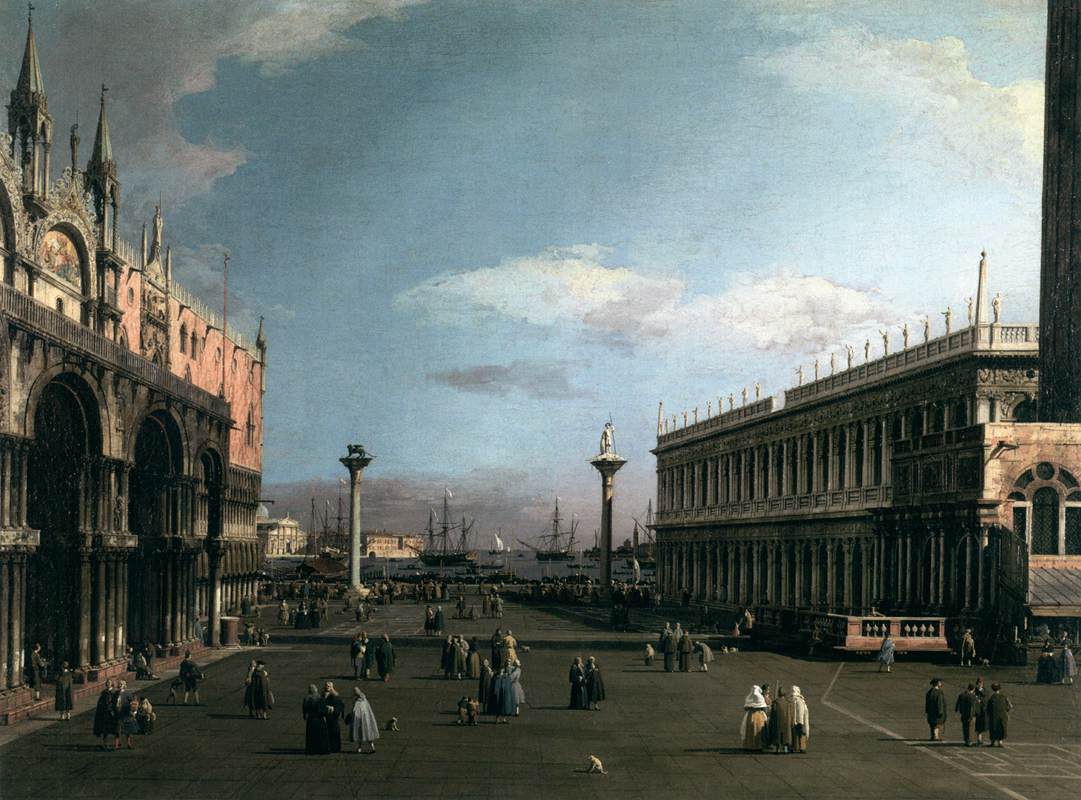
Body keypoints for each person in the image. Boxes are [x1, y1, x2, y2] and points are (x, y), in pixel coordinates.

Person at [348, 687, 380, 752]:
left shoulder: (360, 700)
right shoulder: (362, 699)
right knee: (361, 734)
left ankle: (370, 747)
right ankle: (361, 747)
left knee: (364, 734)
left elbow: (355, 710)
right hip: (360, 719)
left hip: (362, 719)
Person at [302, 684, 329, 755]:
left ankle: (311, 750)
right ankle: (320, 749)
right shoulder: (319, 697)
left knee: (311, 736)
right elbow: (322, 710)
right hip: (319, 719)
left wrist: (304, 716)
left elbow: (304, 709)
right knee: (320, 735)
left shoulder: (306, 698)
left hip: (310, 719)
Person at [740, 685, 769, 751]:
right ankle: (758, 745)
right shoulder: (760, 697)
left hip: (750, 715)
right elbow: (764, 707)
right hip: (759, 715)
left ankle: (750, 745)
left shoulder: (748, 697)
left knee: (750, 730)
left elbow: (746, 707)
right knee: (758, 730)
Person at [984, 682, 1012, 747]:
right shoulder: (1004, 696)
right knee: (1001, 728)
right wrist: (1006, 711)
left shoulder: (992, 698)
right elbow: (1010, 706)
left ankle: (993, 742)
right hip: (1002, 716)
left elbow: (988, 708)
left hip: (994, 716)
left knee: (993, 728)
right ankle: (1000, 742)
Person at [768, 686, 793, 754]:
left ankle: (778, 749)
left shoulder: (775, 703)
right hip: (786, 721)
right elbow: (791, 713)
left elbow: (773, 713)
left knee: (777, 735)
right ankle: (785, 749)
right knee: (786, 735)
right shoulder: (788, 703)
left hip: (777, 721)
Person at [93, 679, 116, 749]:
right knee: (105, 730)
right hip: (105, 713)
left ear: (112, 683)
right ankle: (105, 743)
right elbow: (100, 702)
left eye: (109, 682)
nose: (108, 683)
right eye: (107, 682)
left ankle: (116, 743)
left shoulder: (114, 692)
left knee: (114, 729)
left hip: (112, 712)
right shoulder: (104, 692)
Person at [322, 682, 345, 753]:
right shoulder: (323, 695)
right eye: (326, 686)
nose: (327, 687)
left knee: (334, 733)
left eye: (329, 686)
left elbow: (341, 706)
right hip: (327, 718)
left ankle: (335, 748)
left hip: (333, 718)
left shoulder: (335, 696)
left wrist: (333, 708)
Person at [790, 685, 810, 753]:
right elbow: (805, 712)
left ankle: (794, 747)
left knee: (794, 733)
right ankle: (802, 748)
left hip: (793, 720)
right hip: (801, 720)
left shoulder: (791, 700)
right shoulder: (801, 700)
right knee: (802, 733)